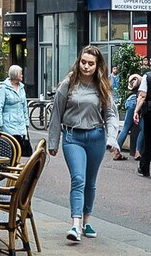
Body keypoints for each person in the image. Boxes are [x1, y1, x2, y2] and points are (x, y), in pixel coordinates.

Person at [47, 45, 113, 245]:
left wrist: (112, 138)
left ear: (97, 66)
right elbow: (56, 114)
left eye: (91, 63)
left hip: (96, 137)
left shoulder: (102, 86)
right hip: (72, 137)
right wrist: (53, 142)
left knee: (90, 182)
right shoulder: (68, 84)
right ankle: (75, 224)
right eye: (83, 62)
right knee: (78, 179)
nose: (86, 66)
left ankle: (86, 221)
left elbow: (110, 114)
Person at [0, 62, 31, 148]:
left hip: (21, 123)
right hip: (8, 123)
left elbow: (24, 106)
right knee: (11, 147)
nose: (22, 75)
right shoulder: (3, 87)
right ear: (15, 74)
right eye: (20, 73)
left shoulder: (21, 87)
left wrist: (26, 122)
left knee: (21, 148)